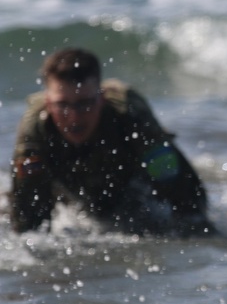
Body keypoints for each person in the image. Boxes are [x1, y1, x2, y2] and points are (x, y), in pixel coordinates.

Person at [9, 48, 214, 236]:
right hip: (71, 188)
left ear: (101, 97)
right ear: (48, 101)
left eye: (84, 104)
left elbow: (186, 193)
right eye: (62, 105)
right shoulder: (34, 131)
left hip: (133, 186)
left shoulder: (130, 116)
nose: (74, 117)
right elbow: (27, 220)